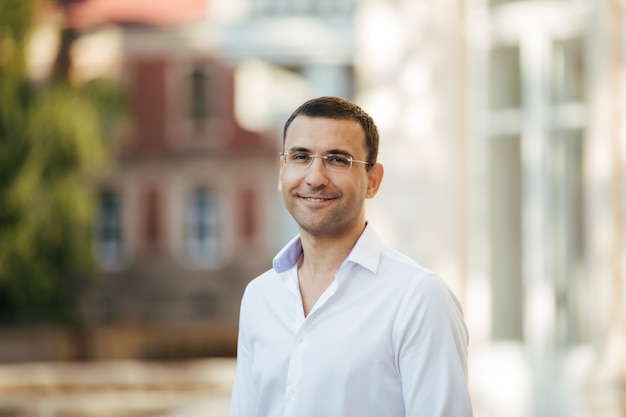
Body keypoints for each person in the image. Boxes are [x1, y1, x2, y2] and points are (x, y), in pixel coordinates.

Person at [229, 96, 472, 416]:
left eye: (338, 159)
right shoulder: (260, 296)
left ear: (373, 181)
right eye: (301, 156)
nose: (315, 177)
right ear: (282, 170)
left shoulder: (418, 298)